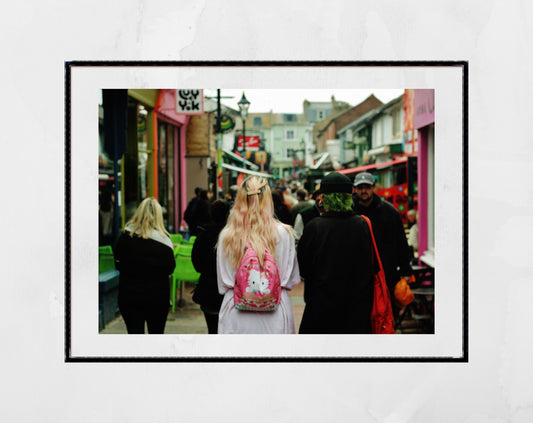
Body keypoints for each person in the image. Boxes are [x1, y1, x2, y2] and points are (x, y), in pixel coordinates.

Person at [216, 176, 301, 334]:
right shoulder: (284, 233)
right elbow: (291, 279)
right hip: (275, 311)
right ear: (268, 199)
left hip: (236, 312)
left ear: (240, 200)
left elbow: (222, 283)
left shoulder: (227, 236)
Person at [297, 172, 374, 334]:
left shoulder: (314, 227)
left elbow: (303, 269)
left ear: (325, 198)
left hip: (321, 307)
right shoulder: (361, 225)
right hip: (355, 308)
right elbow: (369, 266)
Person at [114, 198, 176, 334]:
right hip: (157, 298)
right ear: (159, 217)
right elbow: (170, 268)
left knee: (135, 339)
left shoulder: (124, 237)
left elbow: (118, 264)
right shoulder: (165, 242)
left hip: (129, 297)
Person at [352, 172, 412, 307]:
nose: (363, 190)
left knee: (386, 312)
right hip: (357, 274)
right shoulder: (349, 212)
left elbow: (401, 241)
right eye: (360, 187)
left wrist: (405, 270)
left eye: (367, 187)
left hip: (386, 272)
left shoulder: (389, 212)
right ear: (355, 189)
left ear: (373, 187)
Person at [191, 200, 229, 334]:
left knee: (212, 329)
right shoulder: (233, 236)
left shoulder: (203, 234)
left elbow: (196, 262)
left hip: (208, 289)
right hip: (228, 291)